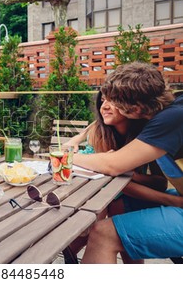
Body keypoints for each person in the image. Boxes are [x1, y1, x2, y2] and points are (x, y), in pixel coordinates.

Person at [72, 62, 183, 263]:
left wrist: (66, 157)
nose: (109, 106)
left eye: (117, 103)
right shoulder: (173, 108)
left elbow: (113, 164)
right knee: (124, 205)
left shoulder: (170, 119)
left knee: (103, 234)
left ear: (136, 109)